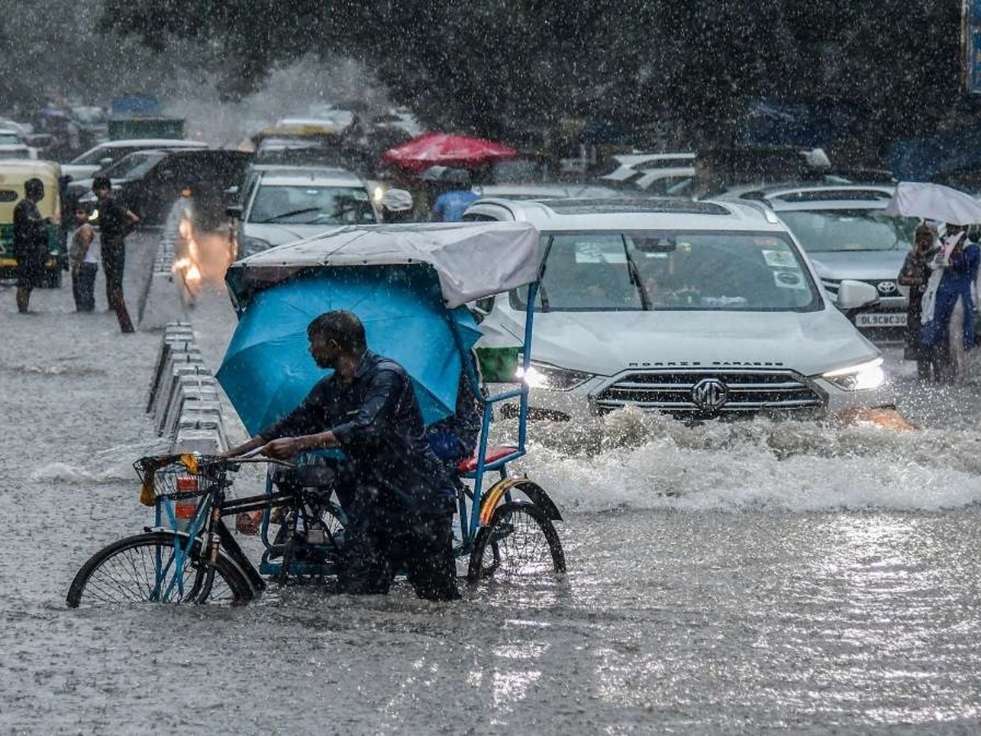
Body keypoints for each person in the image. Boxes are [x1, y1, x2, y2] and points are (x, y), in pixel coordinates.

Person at [225, 310, 461, 601]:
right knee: (358, 598)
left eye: (314, 342)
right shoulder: (330, 388)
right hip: (372, 507)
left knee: (438, 601)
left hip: (418, 502)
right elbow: (290, 423)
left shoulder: (388, 376)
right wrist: (231, 456)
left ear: (335, 345)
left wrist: (299, 444)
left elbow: (367, 427)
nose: (310, 350)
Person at [920, 224, 980, 383]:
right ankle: (943, 371)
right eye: (949, 226)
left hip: (960, 294)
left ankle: (961, 372)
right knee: (939, 332)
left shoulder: (972, 249)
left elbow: (965, 267)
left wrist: (954, 256)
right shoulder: (942, 244)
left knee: (957, 334)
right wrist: (940, 255)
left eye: (955, 227)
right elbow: (931, 264)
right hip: (941, 294)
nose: (951, 229)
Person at [92, 176, 138, 333]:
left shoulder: (113, 202)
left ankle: (122, 315)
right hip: (106, 244)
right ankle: (114, 310)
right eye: (97, 190)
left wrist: (120, 235)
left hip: (115, 245)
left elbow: (134, 219)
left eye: (102, 189)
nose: (99, 192)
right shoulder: (101, 204)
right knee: (110, 278)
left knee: (115, 280)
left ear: (108, 189)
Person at [898, 222, 937, 380]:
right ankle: (923, 376)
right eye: (920, 235)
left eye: (927, 235)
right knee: (917, 338)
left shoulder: (938, 254)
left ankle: (939, 374)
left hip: (933, 303)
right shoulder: (912, 255)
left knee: (933, 339)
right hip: (916, 303)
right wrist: (919, 280)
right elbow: (901, 278)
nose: (923, 239)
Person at [13, 178, 49, 314]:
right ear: (36, 192)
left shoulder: (30, 206)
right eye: (41, 190)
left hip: (31, 251)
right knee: (24, 282)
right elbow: (29, 225)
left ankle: (24, 308)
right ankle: (23, 310)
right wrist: (43, 223)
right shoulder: (24, 206)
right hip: (26, 251)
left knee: (28, 283)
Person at [68, 206, 98, 312]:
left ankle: (84, 315)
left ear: (87, 216)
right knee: (85, 294)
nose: (77, 215)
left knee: (82, 295)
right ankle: (86, 316)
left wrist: (78, 264)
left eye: (81, 213)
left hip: (85, 264)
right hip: (86, 264)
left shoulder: (85, 227)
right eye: (76, 213)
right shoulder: (83, 227)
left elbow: (85, 246)